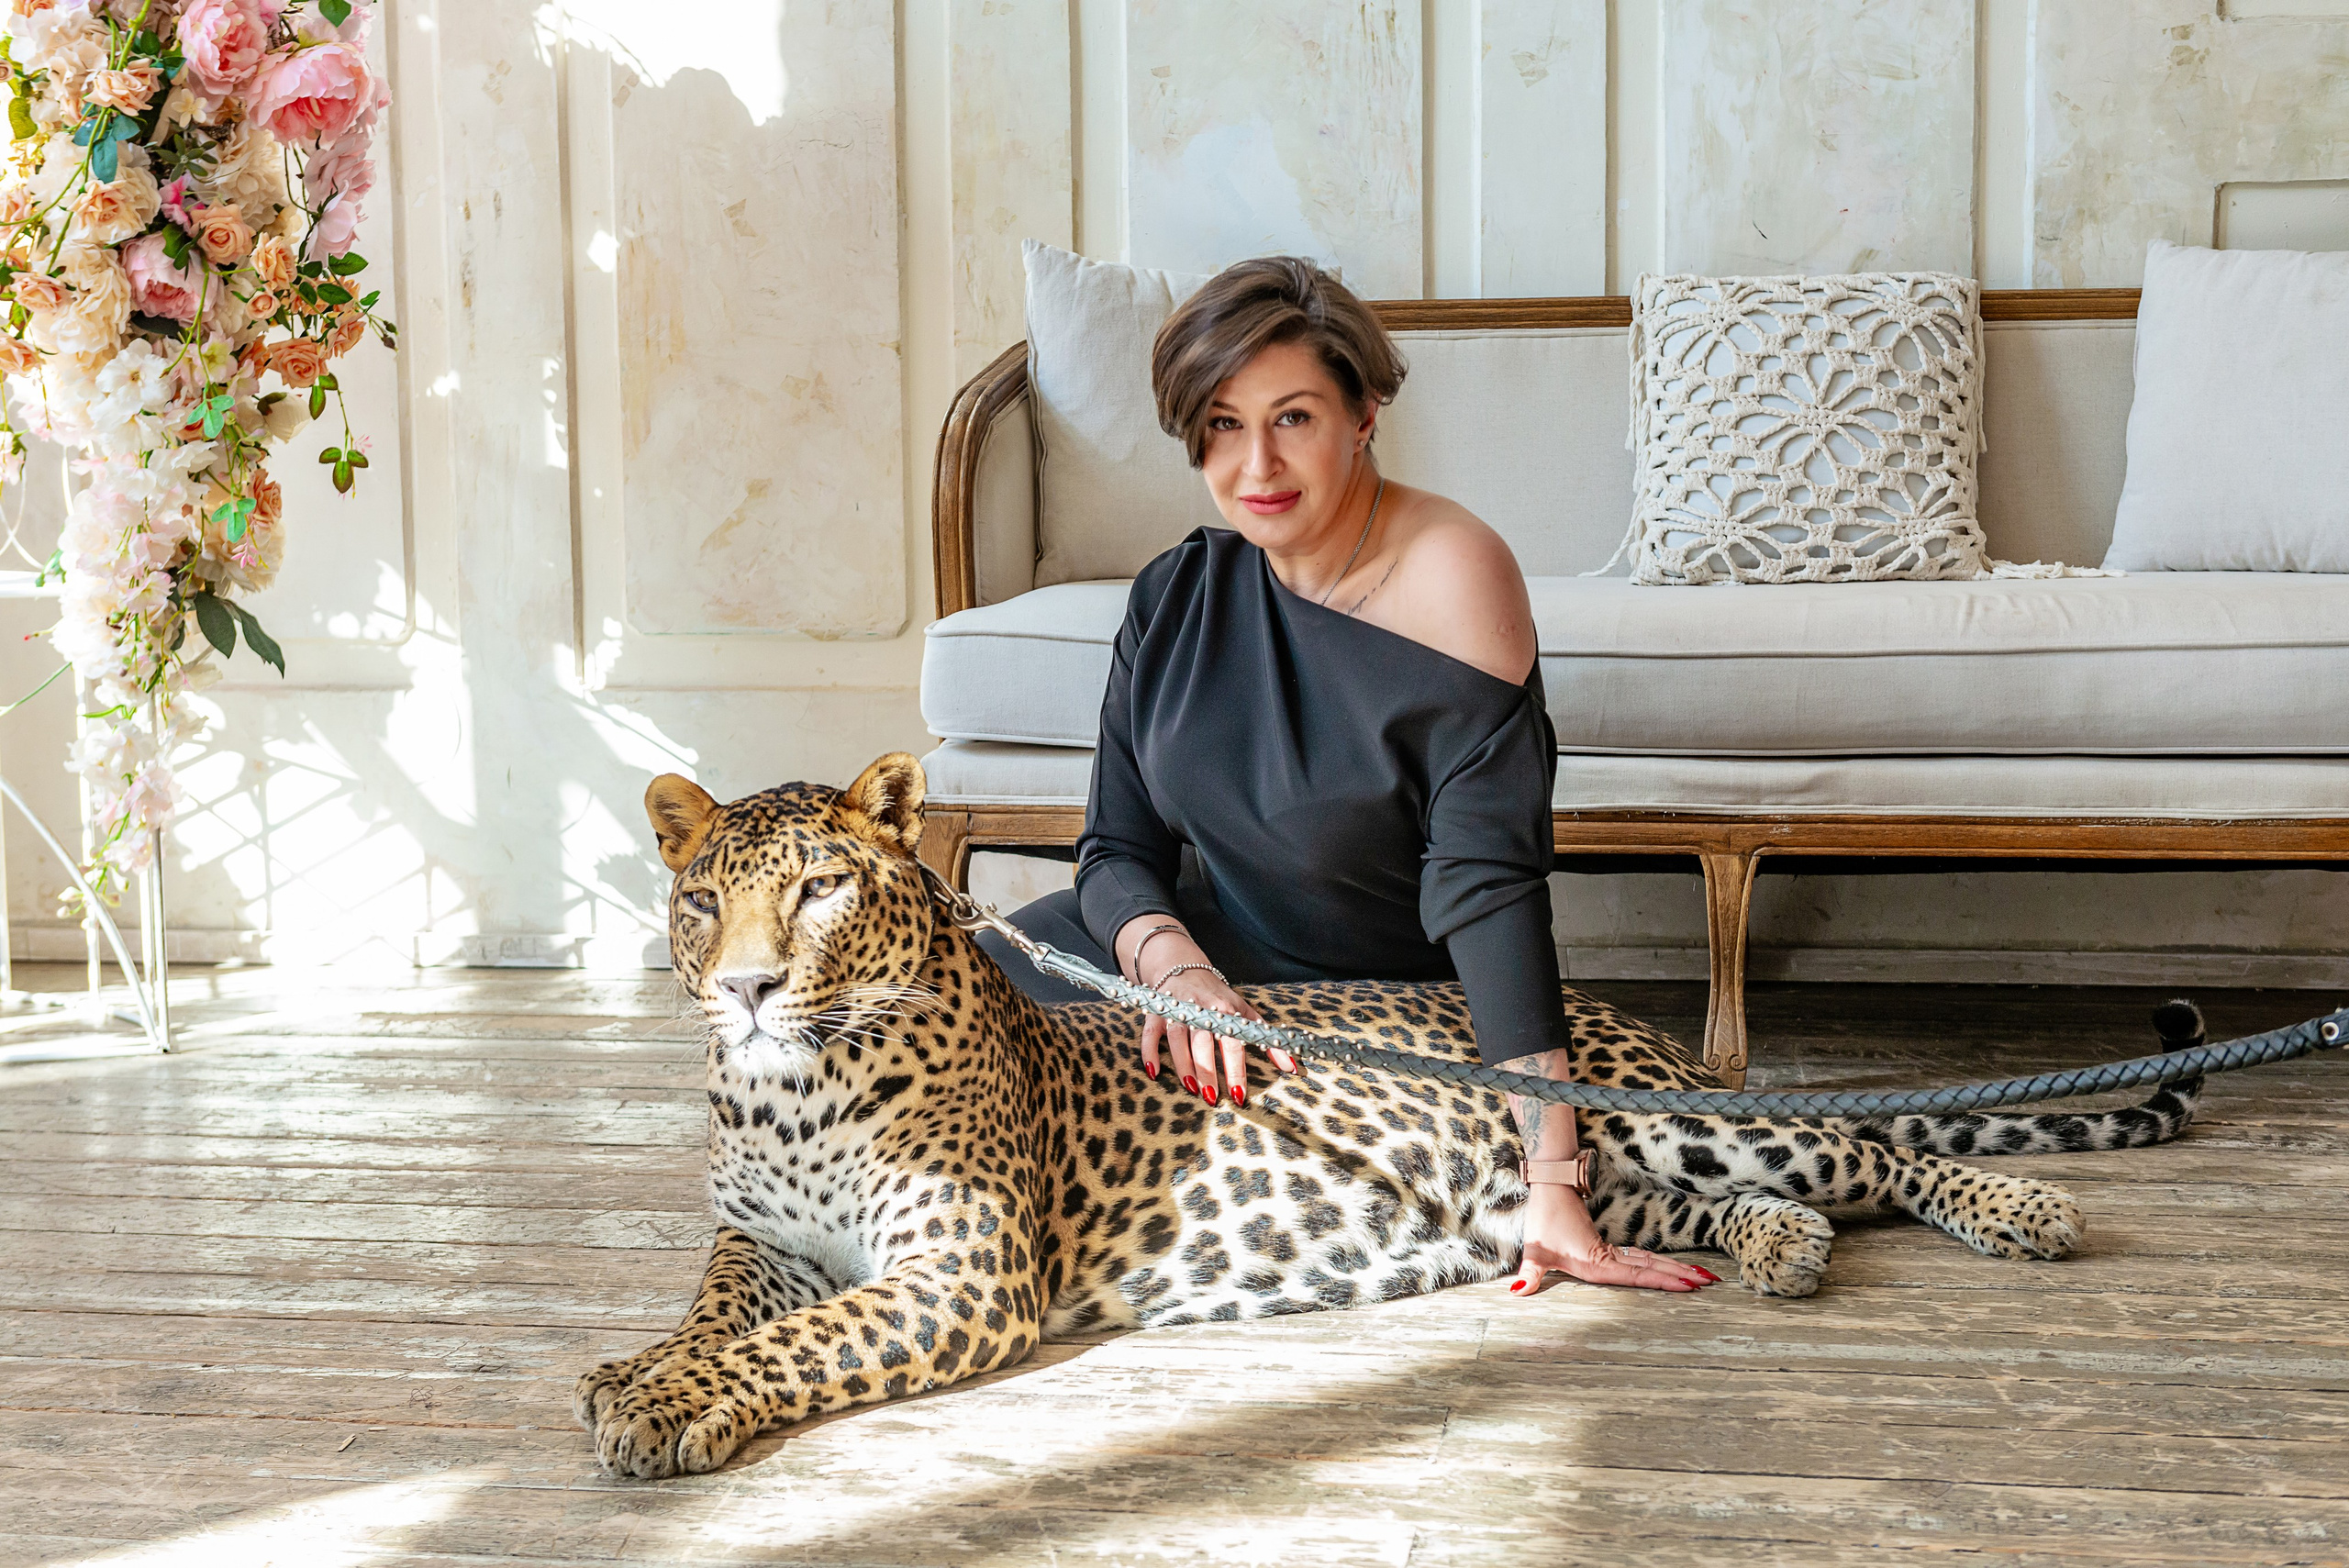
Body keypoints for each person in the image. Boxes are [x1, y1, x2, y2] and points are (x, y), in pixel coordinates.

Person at [976, 257, 1714, 1298]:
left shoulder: (1456, 573)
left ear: (1364, 412)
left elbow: (1489, 887)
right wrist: (1176, 973)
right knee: (954, 992)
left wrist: (1553, 1180)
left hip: (1381, 1004)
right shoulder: (1176, 592)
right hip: (1206, 964)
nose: (1255, 465)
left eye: (1293, 417)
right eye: (1223, 425)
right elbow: (1114, 852)